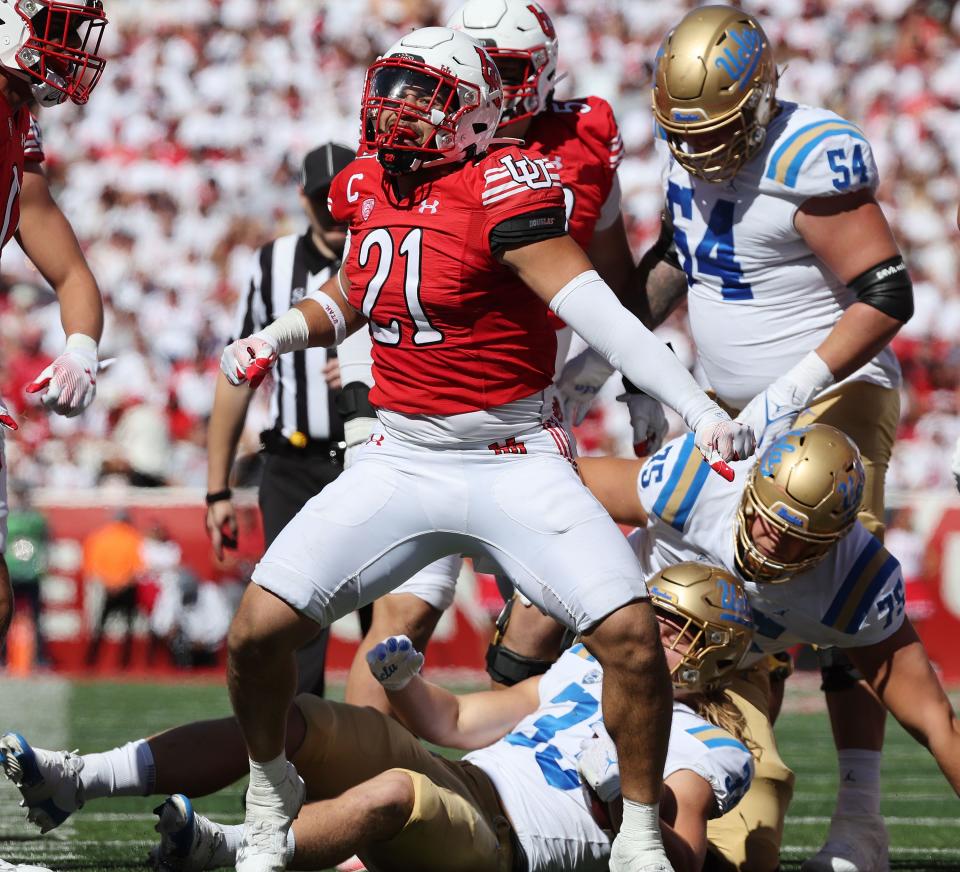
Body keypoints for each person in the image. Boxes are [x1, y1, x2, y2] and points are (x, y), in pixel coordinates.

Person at [218, 26, 754, 872]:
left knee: (631, 641)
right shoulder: (369, 180)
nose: (399, 109)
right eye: (394, 87)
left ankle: (643, 836)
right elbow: (358, 288)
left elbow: (598, 309)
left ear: (476, 114)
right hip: (399, 456)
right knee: (254, 633)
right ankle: (268, 787)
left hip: (514, 459)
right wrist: (279, 335)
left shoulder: (507, 184)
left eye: (423, 94)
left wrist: (692, 403)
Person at [556, 7, 914, 869]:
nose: (702, 148)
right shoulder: (695, 161)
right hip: (727, 405)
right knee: (715, 597)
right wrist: (618, 366)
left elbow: (888, 294)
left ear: (760, 99)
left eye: (717, 128)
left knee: (838, 597)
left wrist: (791, 392)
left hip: (831, 401)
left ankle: (860, 813)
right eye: (688, 131)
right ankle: (734, 780)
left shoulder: (807, 158)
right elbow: (682, 259)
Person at [0, 564, 756, 872]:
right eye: (652, 617)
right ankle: (79, 779)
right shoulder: (584, 668)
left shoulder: (700, 743)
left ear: (711, 657)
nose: (650, 636)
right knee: (302, 719)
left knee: (396, 793)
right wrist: (407, 685)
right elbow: (458, 721)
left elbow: (680, 860)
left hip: (503, 844)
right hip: (463, 775)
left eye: (676, 629)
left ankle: (230, 849)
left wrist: (622, 804)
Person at [344, 0, 662, 712]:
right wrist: (362, 406)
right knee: (406, 613)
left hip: (537, 405)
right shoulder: (420, 137)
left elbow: (613, 273)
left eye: (511, 68)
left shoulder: (583, 135)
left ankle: (518, 776)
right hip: (431, 402)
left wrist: (639, 384)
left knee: (554, 608)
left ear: (544, 71)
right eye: (481, 62)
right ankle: (348, 777)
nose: (496, 83)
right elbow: (372, 281)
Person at [567, 424, 958, 870]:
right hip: (610, 652)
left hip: (722, 680)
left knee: (747, 852)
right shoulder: (702, 483)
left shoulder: (855, 582)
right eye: (765, 519)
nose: (771, 541)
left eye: (798, 539)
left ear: (835, 540)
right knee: (528, 637)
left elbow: (936, 721)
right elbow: (555, 486)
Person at [205, 141, 369, 696]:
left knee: (389, 627)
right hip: (294, 464)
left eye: (339, 199)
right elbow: (238, 371)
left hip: (373, 460)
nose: (330, 212)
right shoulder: (272, 263)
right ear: (303, 199)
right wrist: (216, 490)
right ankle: (304, 768)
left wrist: (367, 369)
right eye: (320, 200)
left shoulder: (385, 251)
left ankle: (382, 763)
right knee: (295, 622)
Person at [82, 511, 144, 670]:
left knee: (99, 627)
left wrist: (110, 584)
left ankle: (91, 660)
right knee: (128, 627)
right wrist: (122, 583)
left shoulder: (100, 537)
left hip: (107, 588)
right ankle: (125, 662)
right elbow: (139, 567)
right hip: (127, 587)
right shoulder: (133, 537)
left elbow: (92, 565)